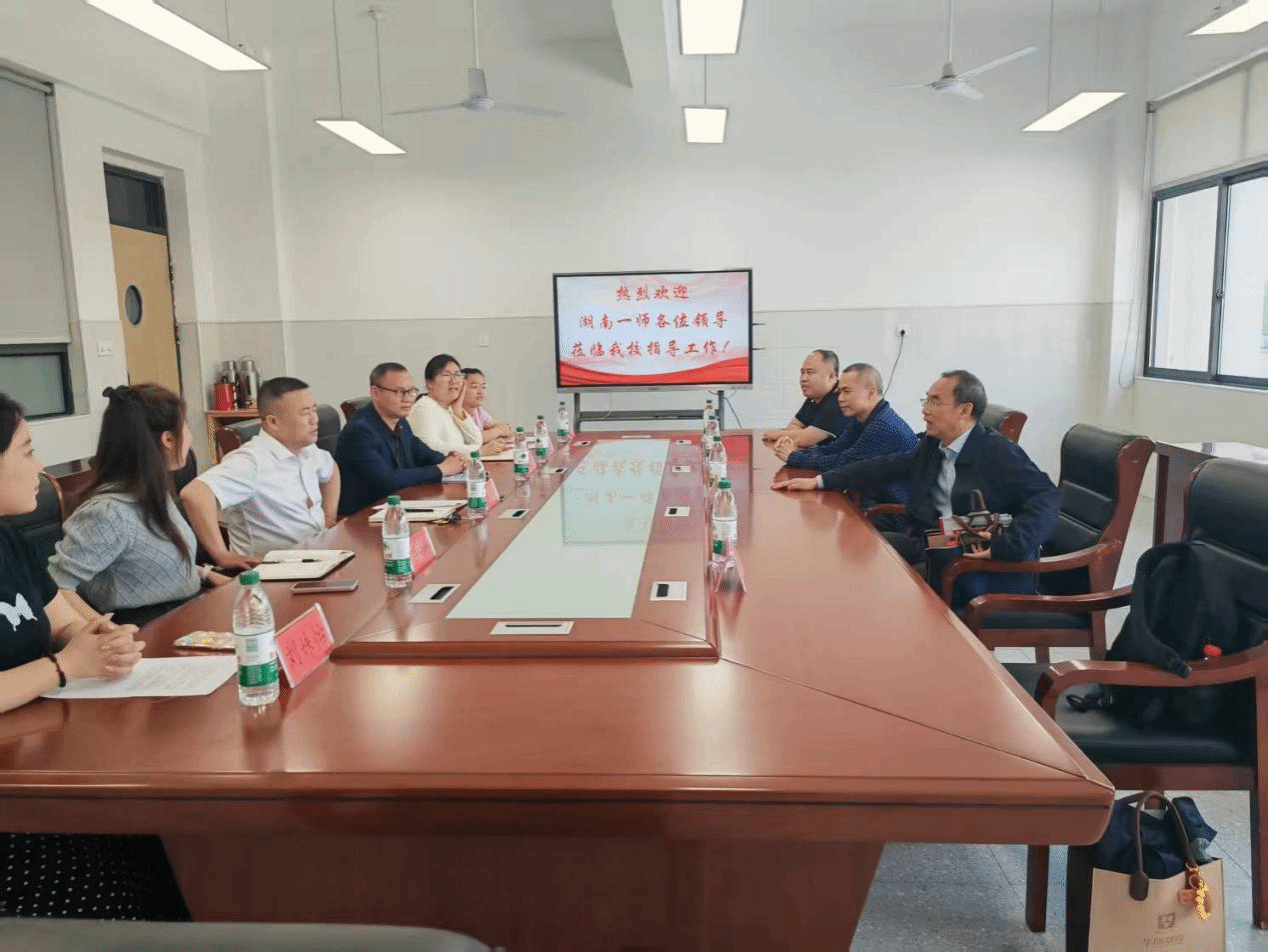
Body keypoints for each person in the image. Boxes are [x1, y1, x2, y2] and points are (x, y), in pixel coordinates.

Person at [0, 392, 189, 920]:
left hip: (41, 757)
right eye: (27, 451)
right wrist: (63, 667)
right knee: (103, 879)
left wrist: (98, 637)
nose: (41, 469)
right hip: (13, 804)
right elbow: (60, 659)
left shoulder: (8, 541)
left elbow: (58, 618)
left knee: (148, 841)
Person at [773, 370, 1060, 606]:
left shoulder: (997, 451)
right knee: (853, 555)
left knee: (883, 584)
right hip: (933, 542)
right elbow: (885, 465)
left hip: (973, 562)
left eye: (935, 402)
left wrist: (1008, 544)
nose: (925, 409)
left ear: (965, 410)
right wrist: (820, 481)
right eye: (926, 400)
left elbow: (1046, 497)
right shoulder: (935, 445)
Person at [48, 386, 230, 628]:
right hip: (144, 629)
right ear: (168, 439)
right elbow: (56, 586)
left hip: (185, 614)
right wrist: (106, 629)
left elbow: (151, 561)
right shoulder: (108, 513)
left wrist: (207, 575)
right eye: (186, 426)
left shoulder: (154, 493)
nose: (190, 437)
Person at [181, 377, 340, 566]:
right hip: (275, 570)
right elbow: (194, 494)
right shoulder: (251, 462)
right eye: (305, 413)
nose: (315, 419)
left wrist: (329, 517)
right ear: (273, 422)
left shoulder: (306, 449)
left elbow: (331, 470)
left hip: (318, 557)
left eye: (314, 410)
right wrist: (221, 555)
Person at [773, 363, 919, 512]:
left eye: (847, 391)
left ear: (871, 392)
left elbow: (843, 462)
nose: (840, 399)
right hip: (871, 501)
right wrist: (797, 453)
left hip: (892, 511)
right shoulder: (861, 418)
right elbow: (834, 449)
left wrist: (795, 457)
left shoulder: (883, 425)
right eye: (840, 392)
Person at [335, 362, 467, 517]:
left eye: (411, 391)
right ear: (375, 393)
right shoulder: (359, 431)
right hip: (364, 519)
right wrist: (441, 469)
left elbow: (422, 453)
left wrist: (453, 460)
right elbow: (387, 480)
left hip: (398, 508)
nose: (408, 399)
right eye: (399, 392)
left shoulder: (401, 422)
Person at [409, 354, 508, 457]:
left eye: (457, 375)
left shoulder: (449, 409)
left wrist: (458, 410)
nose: (454, 380)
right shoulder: (423, 408)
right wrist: (479, 452)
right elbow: (431, 449)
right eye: (446, 375)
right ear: (430, 383)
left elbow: (476, 441)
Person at [761, 349, 846, 449]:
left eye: (810, 372)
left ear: (831, 376)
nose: (803, 378)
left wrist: (779, 434)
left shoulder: (839, 401)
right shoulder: (814, 397)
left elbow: (804, 440)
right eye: (802, 372)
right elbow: (795, 425)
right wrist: (801, 435)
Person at [460, 367, 512, 443]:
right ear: (460, 389)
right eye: (474, 387)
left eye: (483, 387)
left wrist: (496, 431)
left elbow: (501, 426)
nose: (481, 392)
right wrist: (498, 431)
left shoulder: (478, 411)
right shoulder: (456, 413)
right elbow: (472, 440)